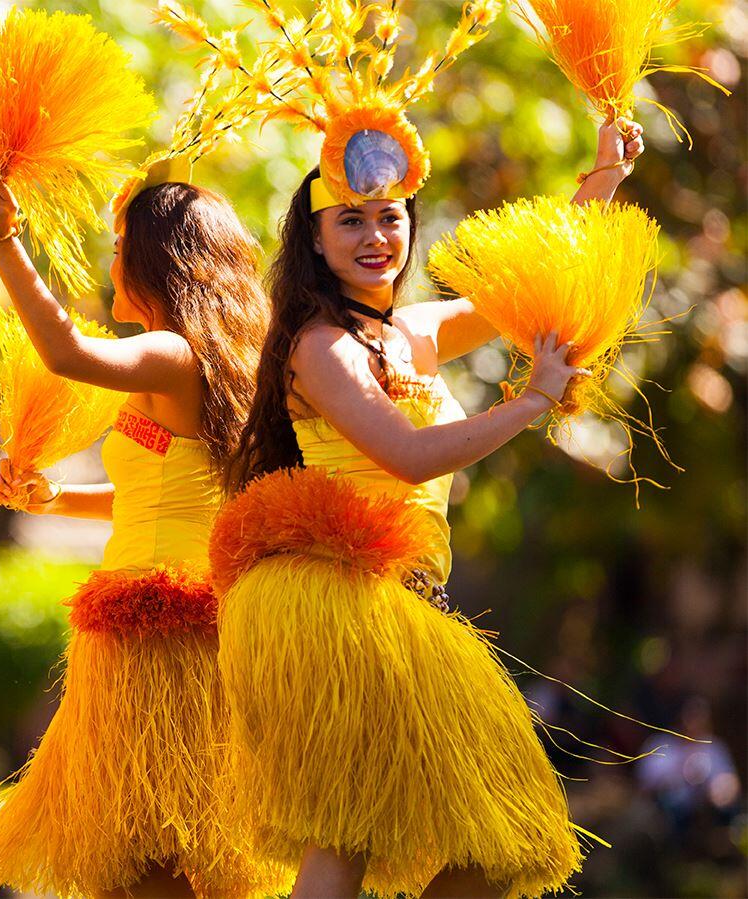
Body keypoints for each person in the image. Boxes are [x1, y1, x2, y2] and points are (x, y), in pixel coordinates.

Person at [215, 118, 645, 898]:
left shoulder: (413, 330)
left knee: (496, 838)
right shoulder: (319, 346)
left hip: (413, 599)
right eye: (351, 220)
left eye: (390, 216)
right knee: (345, 831)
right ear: (314, 240)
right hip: (343, 603)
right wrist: (531, 401)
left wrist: (604, 179)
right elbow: (406, 456)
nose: (376, 235)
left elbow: (532, 278)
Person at [0, 169, 281, 898]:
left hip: (159, 640)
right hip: (170, 630)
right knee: (146, 862)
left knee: (144, 859)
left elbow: (68, 352)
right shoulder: (208, 364)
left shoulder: (173, 354)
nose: (110, 261)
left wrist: (4, 239)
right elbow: (155, 495)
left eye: (118, 247)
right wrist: (55, 497)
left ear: (152, 264)